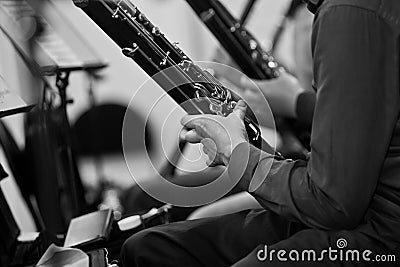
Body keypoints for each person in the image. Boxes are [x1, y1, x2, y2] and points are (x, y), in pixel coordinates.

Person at [120, 0, 400, 266]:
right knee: (148, 247)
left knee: (170, 238)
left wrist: (236, 152)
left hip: (378, 236)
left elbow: (331, 202)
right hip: (357, 206)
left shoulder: (349, 12)